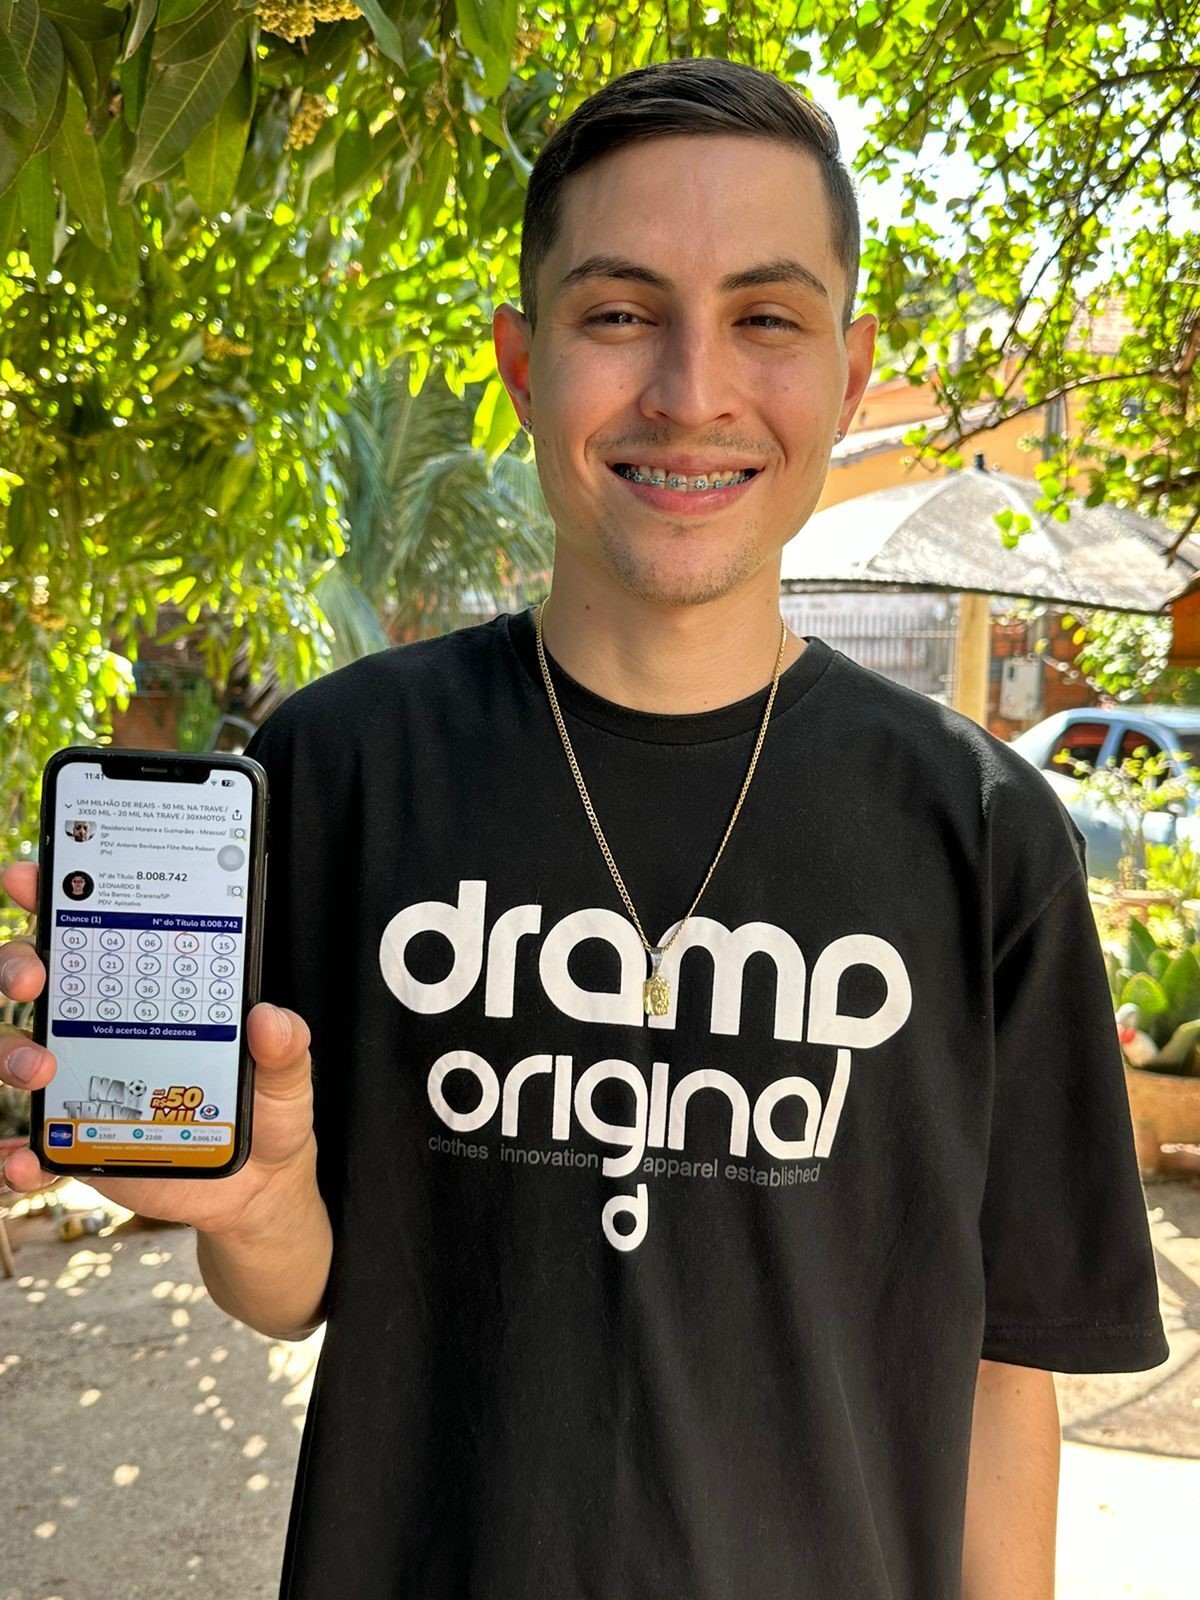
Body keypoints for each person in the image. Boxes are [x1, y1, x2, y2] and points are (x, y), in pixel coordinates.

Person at [0, 56, 1167, 1600]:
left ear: (847, 371)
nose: (691, 389)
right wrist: (262, 1206)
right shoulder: (338, 770)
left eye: (766, 317)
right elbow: (289, 1292)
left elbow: (1007, 1373)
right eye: (620, 313)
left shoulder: (986, 832)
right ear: (523, 362)